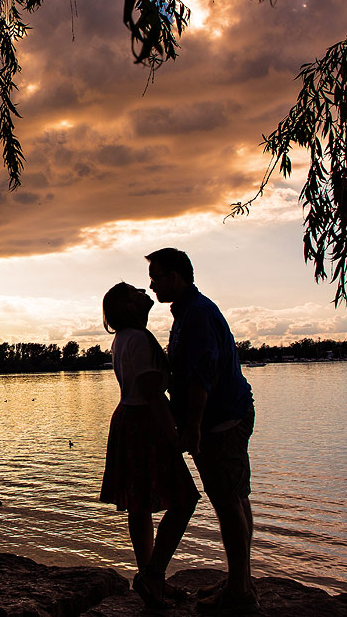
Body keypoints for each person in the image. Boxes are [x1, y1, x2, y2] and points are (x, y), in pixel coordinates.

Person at [146, 248, 257, 615]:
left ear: (177, 276)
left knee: (228, 503)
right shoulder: (189, 312)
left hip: (220, 421)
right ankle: (240, 580)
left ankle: (240, 593)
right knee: (236, 499)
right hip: (227, 415)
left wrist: (191, 426)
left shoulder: (194, 315)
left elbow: (201, 376)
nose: (152, 284)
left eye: (157, 276)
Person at [98, 282, 199, 609]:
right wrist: (175, 434)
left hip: (128, 417)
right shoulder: (139, 339)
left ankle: (149, 578)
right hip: (144, 421)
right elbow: (153, 393)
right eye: (134, 292)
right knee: (184, 500)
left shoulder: (122, 338)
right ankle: (153, 575)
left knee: (140, 506)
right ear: (128, 307)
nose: (143, 291)